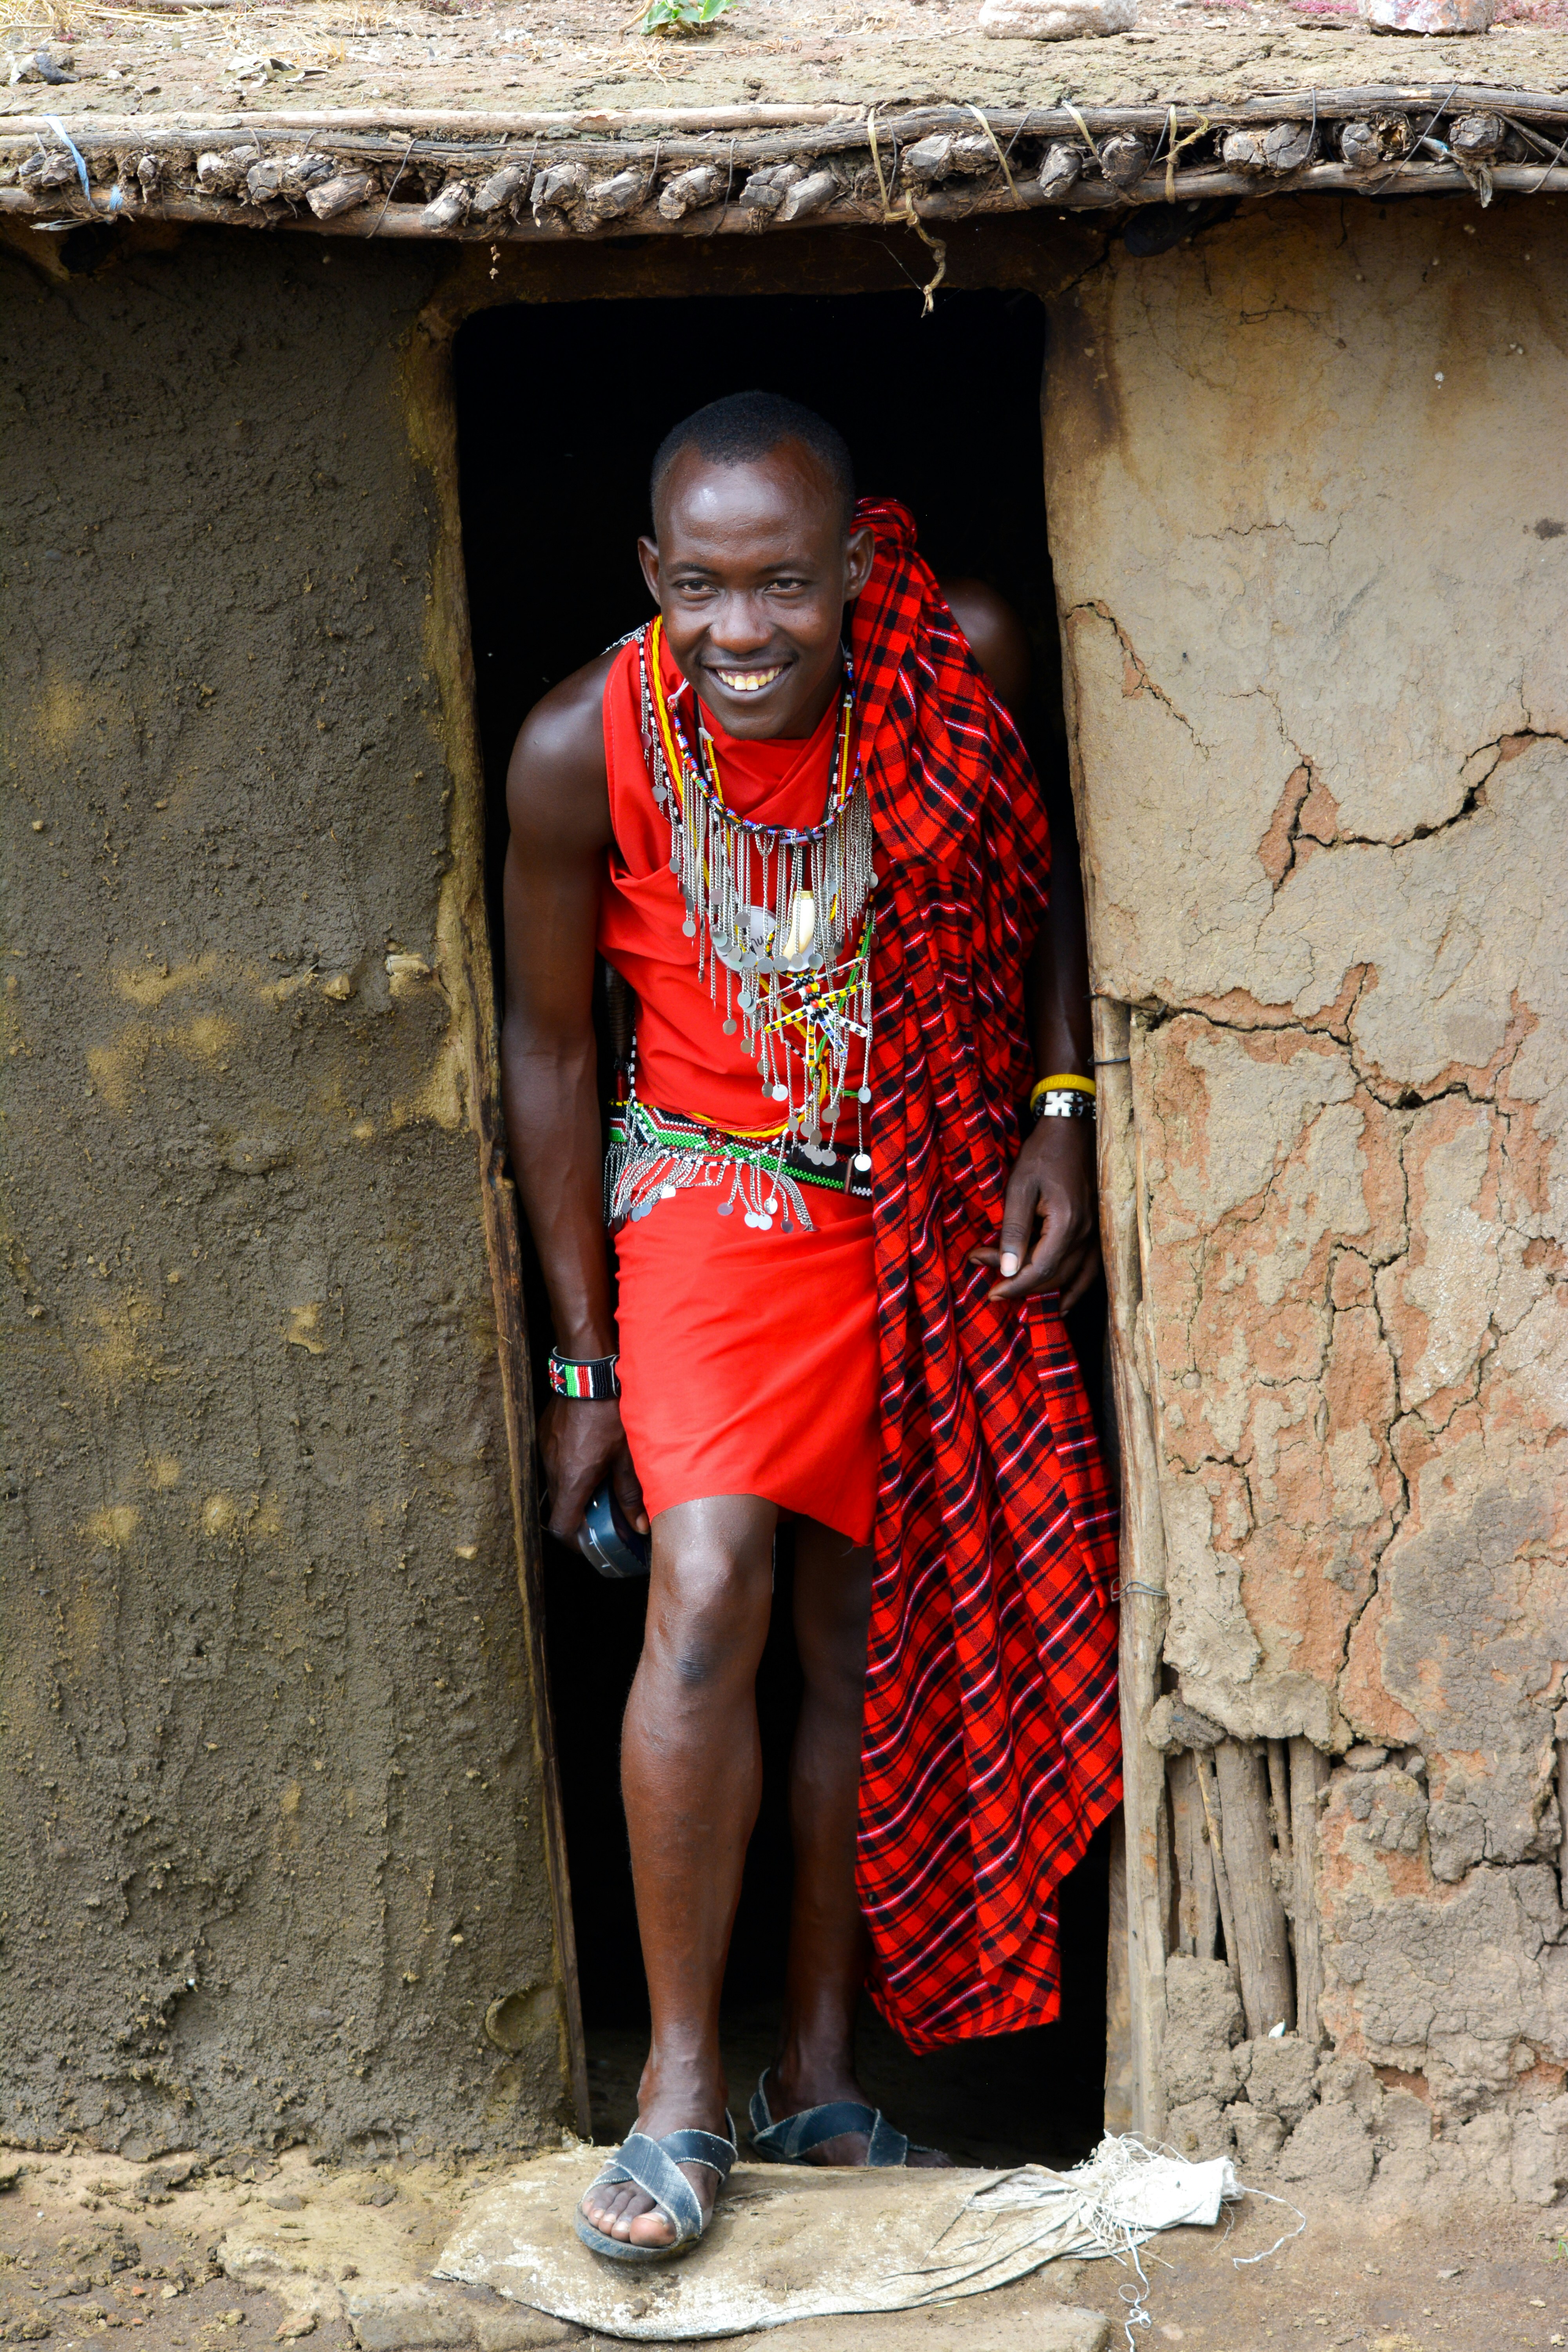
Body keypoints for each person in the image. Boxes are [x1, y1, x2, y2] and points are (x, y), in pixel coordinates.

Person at [500, 392, 1120, 2264]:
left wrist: (1060, 1113)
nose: (741, 631)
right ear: (648, 579)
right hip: (705, 1196)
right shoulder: (577, 746)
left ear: (853, 568)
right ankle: (682, 2095)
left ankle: (823, 2080)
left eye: (782, 584)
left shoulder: (959, 664)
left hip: (918, 1194)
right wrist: (580, 1365)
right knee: (706, 1595)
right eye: (700, 588)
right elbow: (542, 1050)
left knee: (872, 1643)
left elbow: (1059, 885)